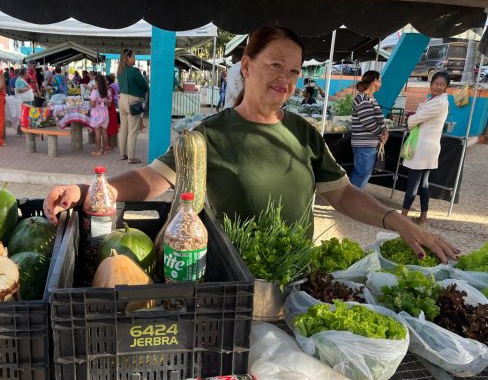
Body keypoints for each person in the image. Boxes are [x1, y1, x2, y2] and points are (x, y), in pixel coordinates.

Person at [43, 25, 458, 265]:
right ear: (246, 66)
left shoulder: (304, 133)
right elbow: (151, 179)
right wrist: (88, 191)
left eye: (293, 70)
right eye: (275, 65)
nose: (286, 79)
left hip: (293, 278)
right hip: (230, 282)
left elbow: (342, 194)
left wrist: (395, 220)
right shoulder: (210, 134)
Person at [401, 71, 451, 225]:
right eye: (436, 83)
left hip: (424, 148)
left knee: (413, 184)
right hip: (427, 147)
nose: (438, 87)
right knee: (423, 184)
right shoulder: (434, 100)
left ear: (446, 87)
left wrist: (410, 119)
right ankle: (423, 216)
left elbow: (417, 118)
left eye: (442, 84)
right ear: (431, 84)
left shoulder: (439, 102)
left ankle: (402, 217)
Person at [350, 70, 388, 189]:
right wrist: (382, 133)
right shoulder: (364, 98)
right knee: (361, 175)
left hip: (367, 144)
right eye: (380, 80)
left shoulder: (369, 98)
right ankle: (350, 198)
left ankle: (352, 197)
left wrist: (385, 131)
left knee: (362, 174)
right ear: (375, 81)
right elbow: (369, 122)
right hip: (364, 145)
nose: (381, 84)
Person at [117, 49, 149, 164]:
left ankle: (123, 154)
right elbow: (145, 86)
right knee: (133, 131)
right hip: (133, 101)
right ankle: (131, 157)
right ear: (128, 58)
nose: (135, 59)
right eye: (133, 57)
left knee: (123, 129)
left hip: (121, 100)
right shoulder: (134, 71)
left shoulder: (119, 71)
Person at [88, 74, 111, 156]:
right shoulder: (107, 91)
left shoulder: (95, 91)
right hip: (105, 113)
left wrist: (89, 102)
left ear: (96, 82)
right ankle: (104, 150)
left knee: (97, 132)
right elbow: (109, 104)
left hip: (97, 114)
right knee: (104, 131)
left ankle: (98, 150)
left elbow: (92, 105)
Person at [106, 74, 120, 148]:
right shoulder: (110, 87)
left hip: (110, 110)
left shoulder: (109, 89)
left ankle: (109, 145)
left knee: (109, 126)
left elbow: (109, 102)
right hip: (110, 108)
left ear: (108, 81)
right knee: (109, 126)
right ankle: (109, 144)